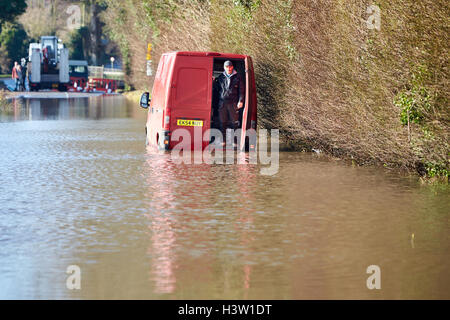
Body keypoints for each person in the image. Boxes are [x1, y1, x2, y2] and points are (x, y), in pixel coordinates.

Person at [213, 60, 245, 146]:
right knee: (222, 122)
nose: (229, 68)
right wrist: (213, 81)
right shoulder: (220, 77)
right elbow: (216, 90)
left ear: (232, 67)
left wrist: (240, 101)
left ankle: (234, 141)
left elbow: (241, 91)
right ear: (224, 67)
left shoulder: (238, 77)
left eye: (230, 66)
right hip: (222, 103)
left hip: (233, 103)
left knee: (234, 122)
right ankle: (223, 141)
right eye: (227, 67)